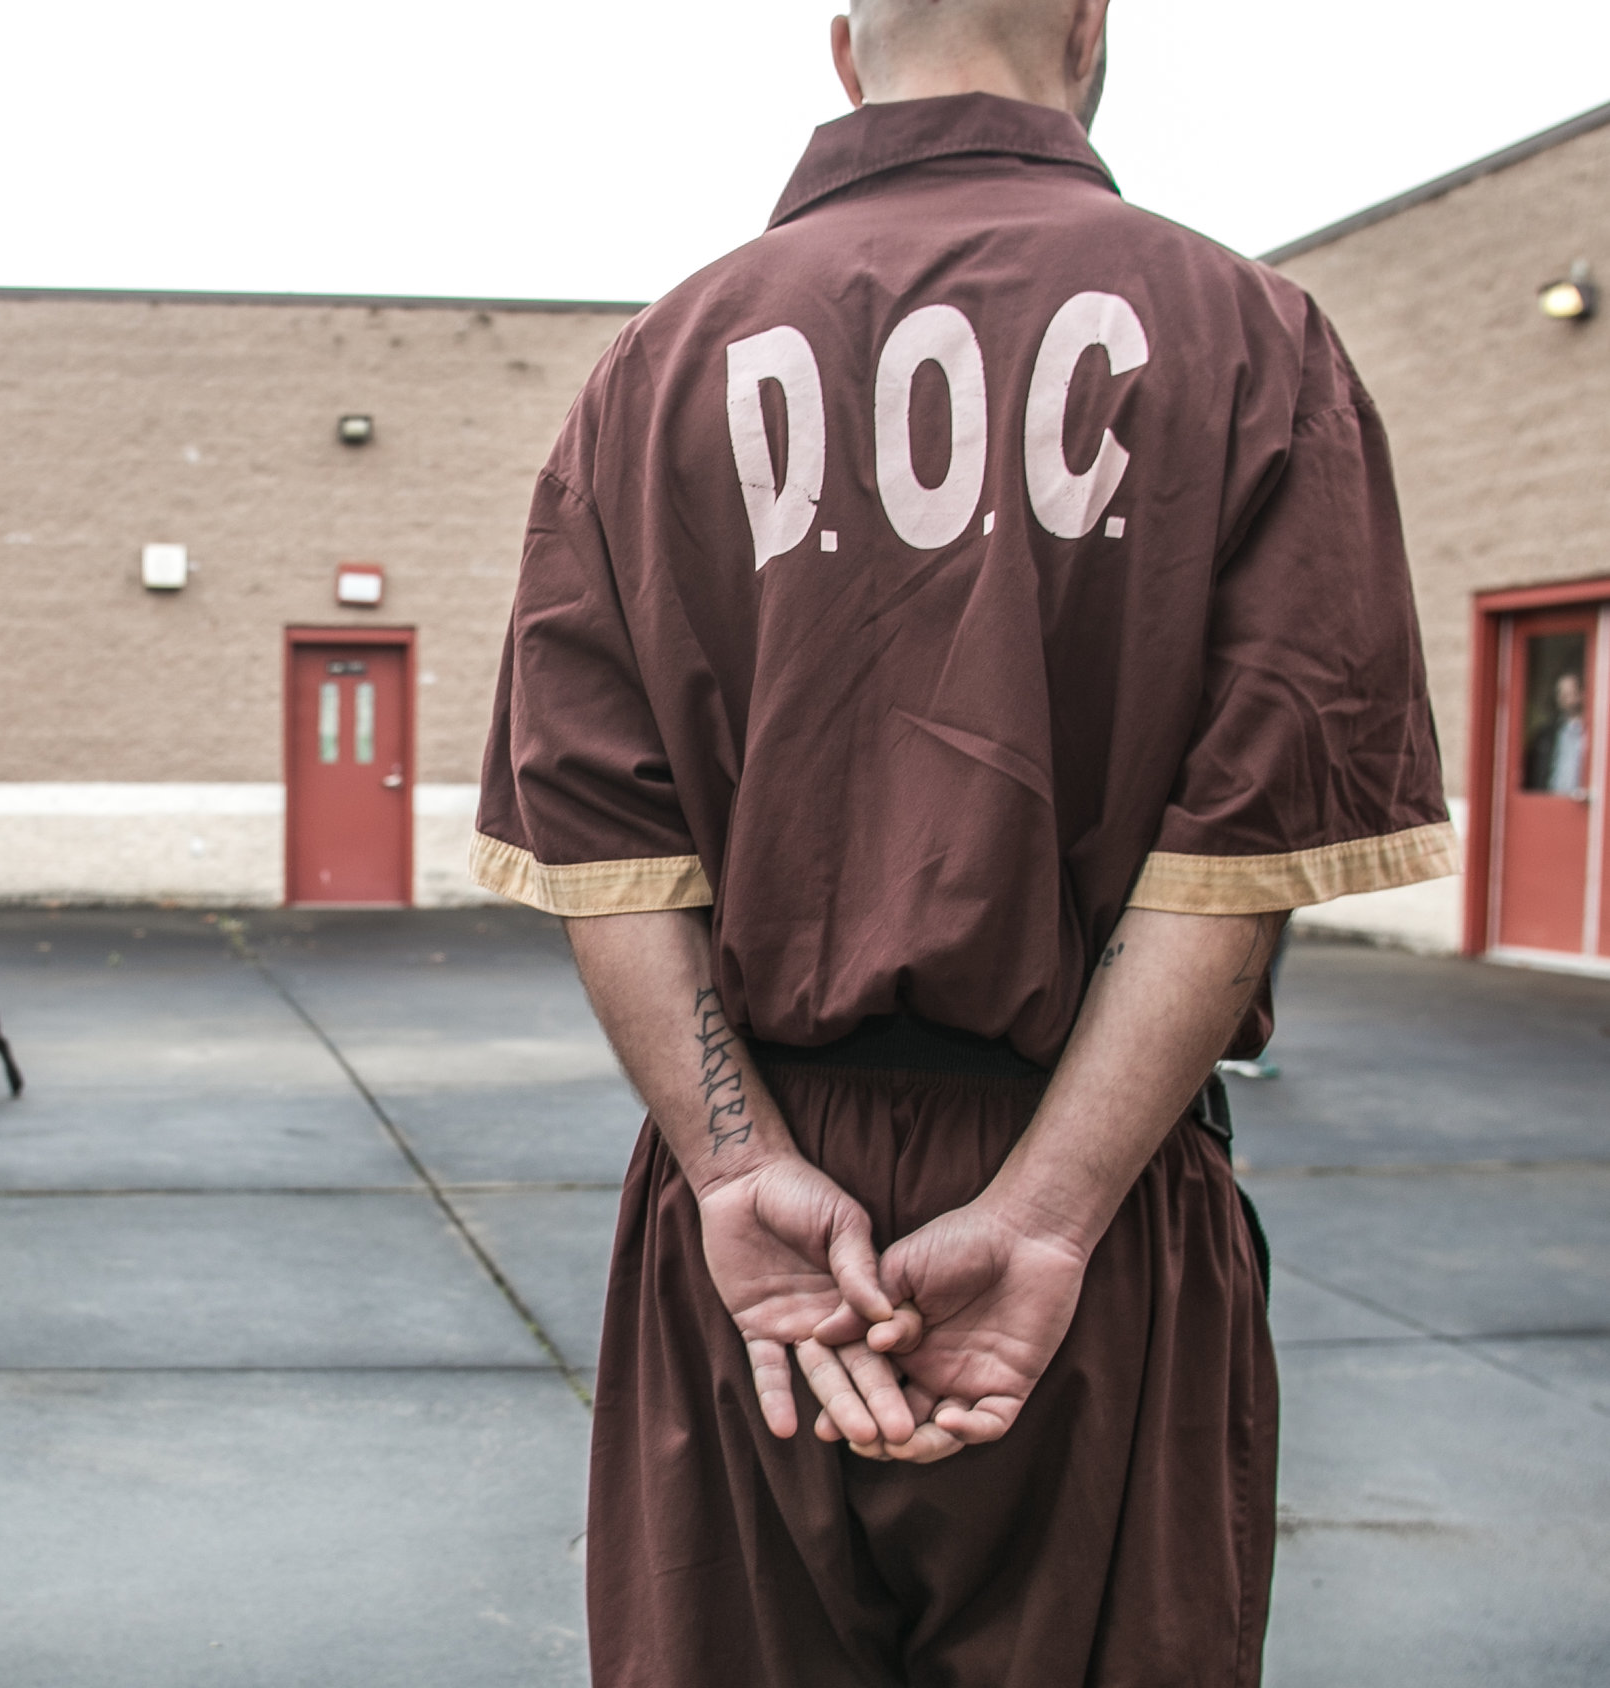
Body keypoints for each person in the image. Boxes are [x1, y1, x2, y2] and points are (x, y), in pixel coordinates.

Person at [470, 3, 1458, 1684]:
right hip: (1098, 1189)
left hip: (759, 1223)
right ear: (1091, 29)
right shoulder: (1249, 336)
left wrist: (733, 1166)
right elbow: (1242, 842)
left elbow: (609, 839)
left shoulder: (655, 366)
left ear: (843, 49)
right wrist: (1052, 1213)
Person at [1523, 669, 1590, 797]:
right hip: (1550, 802)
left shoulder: (1596, 733)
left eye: (1569, 692)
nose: (1563, 697)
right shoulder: (1545, 736)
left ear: (1583, 693)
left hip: (1580, 803)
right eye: (1560, 692)